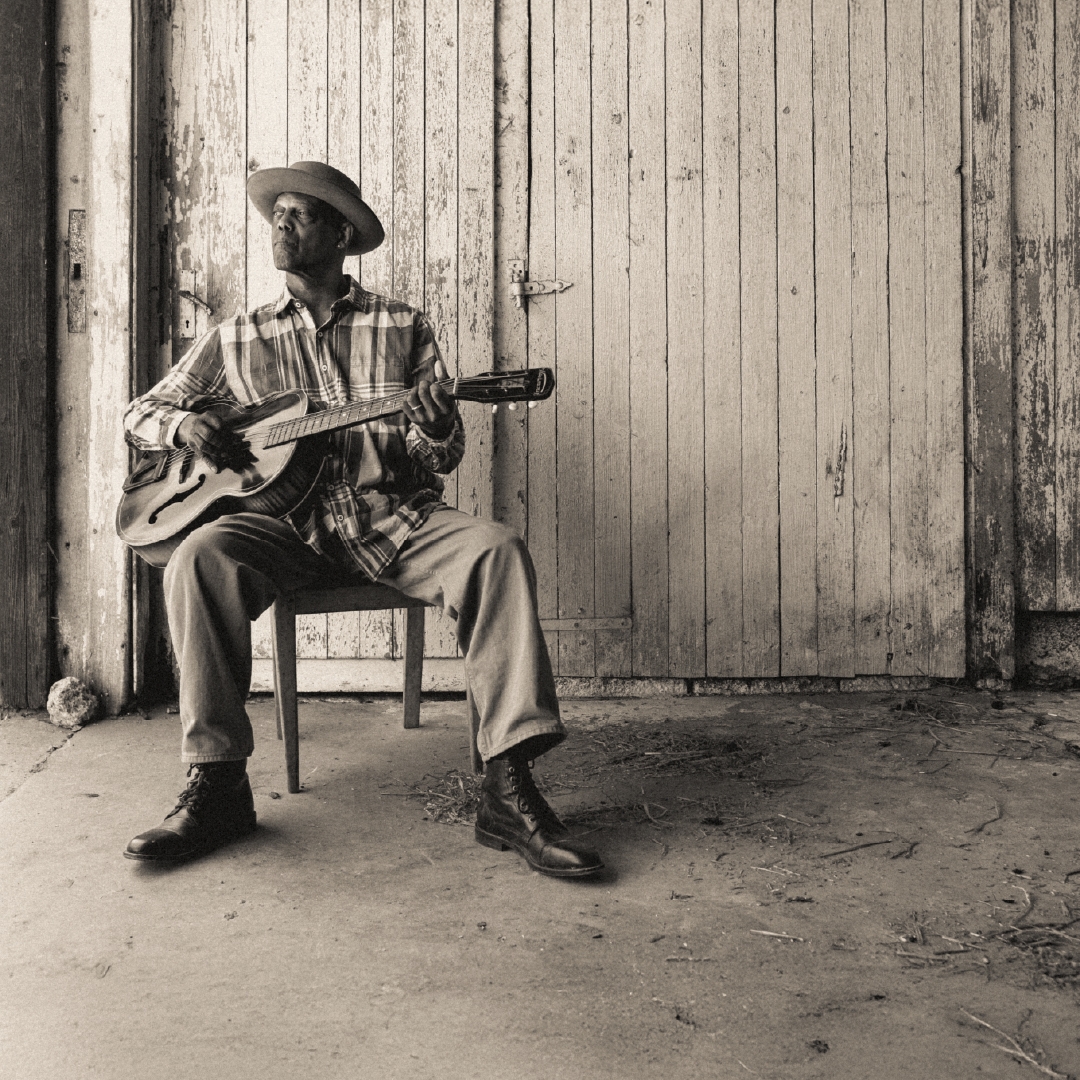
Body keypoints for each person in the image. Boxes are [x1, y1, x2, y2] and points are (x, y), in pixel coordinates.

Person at [121, 160, 602, 879]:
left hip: (392, 519)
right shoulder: (236, 337)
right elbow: (140, 414)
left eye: (299, 214)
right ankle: (217, 783)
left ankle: (508, 784)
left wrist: (435, 424)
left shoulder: (402, 325)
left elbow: (441, 456)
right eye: (276, 214)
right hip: (280, 528)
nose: (280, 225)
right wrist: (187, 431)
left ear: (341, 233)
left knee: (496, 549)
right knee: (199, 554)